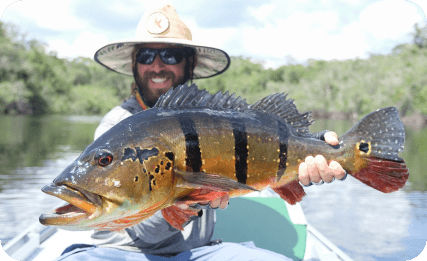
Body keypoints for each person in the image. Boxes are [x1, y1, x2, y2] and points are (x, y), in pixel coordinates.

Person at [56, 3, 346, 261]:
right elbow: (144, 233)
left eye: (170, 56)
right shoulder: (116, 126)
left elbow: (271, 146)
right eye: (146, 55)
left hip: (199, 253)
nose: (157, 66)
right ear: (134, 64)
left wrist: (315, 150)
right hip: (119, 253)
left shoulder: (214, 120)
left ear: (189, 63)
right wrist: (186, 197)